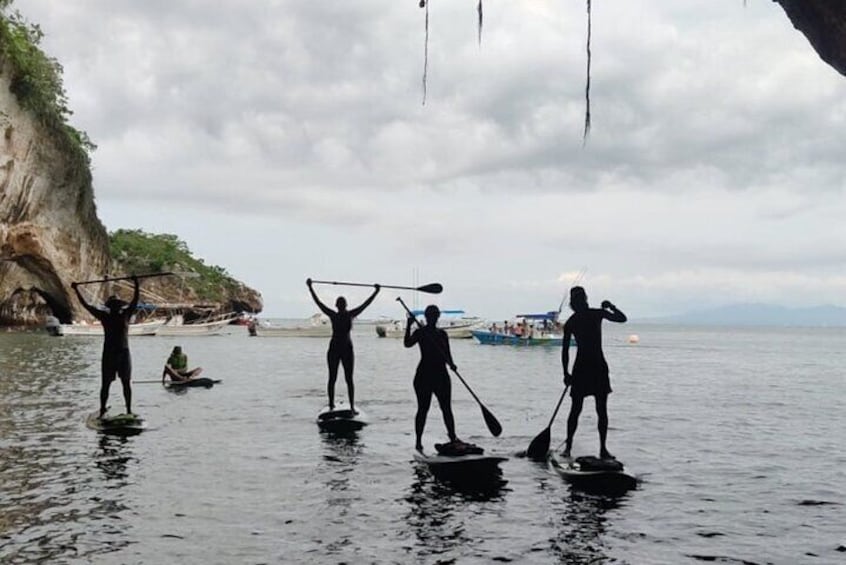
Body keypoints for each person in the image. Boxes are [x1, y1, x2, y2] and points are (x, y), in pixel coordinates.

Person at [561, 286, 627, 460]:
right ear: (585, 299)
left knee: (577, 410)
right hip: (596, 366)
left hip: (583, 368)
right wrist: (611, 306)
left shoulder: (572, 321)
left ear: (572, 303)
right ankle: (600, 449)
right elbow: (621, 318)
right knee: (599, 410)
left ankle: (569, 448)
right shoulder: (595, 314)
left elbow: (565, 351)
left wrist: (566, 373)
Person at [306, 278, 380, 413]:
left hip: (343, 349)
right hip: (339, 348)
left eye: (341, 303)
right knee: (338, 378)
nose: (341, 305)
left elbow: (319, 303)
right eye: (341, 304)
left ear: (340, 305)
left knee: (342, 378)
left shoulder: (340, 315)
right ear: (342, 305)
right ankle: (335, 405)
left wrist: (310, 287)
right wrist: (376, 291)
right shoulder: (343, 315)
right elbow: (365, 304)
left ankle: (343, 405)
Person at [71, 276, 141, 418]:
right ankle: (102, 409)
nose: (115, 307)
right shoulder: (104, 316)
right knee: (106, 384)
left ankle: (129, 410)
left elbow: (135, 300)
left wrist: (136, 284)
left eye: (117, 305)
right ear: (110, 307)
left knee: (126, 383)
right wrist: (76, 290)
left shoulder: (125, 314)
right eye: (113, 305)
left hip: (123, 353)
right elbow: (86, 305)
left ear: (119, 306)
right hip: (110, 353)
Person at [404, 304, 462, 452]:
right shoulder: (421, 332)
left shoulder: (442, 334)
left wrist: (452, 364)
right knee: (423, 409)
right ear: (427, 317)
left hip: (442, 375)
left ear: (437, 317)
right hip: (424, 375)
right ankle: (418, 441)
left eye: (435, 315)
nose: (433, 318)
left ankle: (453, 437)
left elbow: (447, 353)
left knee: (446, 408)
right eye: (431, 315)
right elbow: (407, 344)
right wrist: (408, 325)